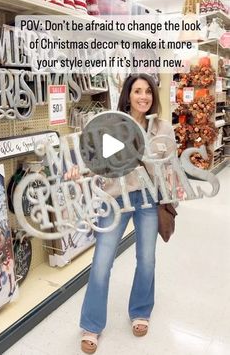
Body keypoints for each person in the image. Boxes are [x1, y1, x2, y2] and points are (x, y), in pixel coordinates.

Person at [65, 73, 175, 354]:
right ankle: (91, 325)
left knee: (146, 259)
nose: (143, 97)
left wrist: (172, 197)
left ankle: (140, 310)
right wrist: (78, 170)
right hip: (114, 198)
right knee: (102, 261)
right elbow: (96, 161)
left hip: (149, 199)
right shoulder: (112, 125)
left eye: (148, 91)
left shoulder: (162, 128)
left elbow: (171, 166)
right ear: (128, 95)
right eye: (137, 91)